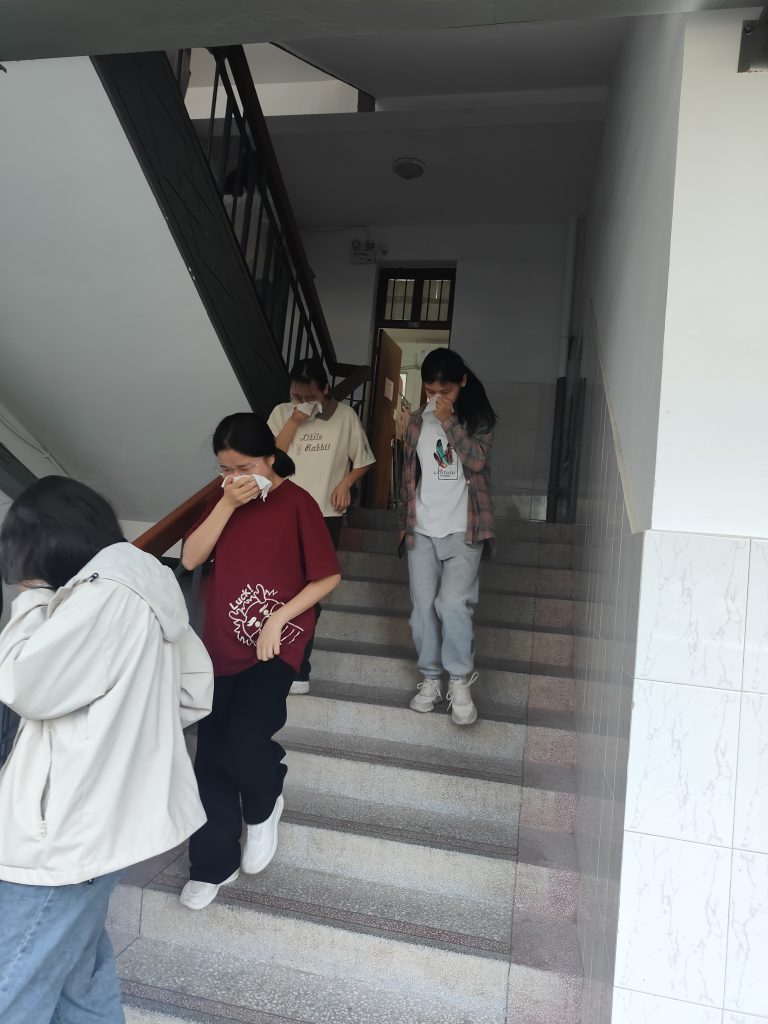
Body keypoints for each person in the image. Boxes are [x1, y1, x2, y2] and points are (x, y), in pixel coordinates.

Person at [0, 476, 214, 1024]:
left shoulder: (104, 596)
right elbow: (193, 693)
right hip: (94, 828)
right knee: (79, 981)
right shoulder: (149, 590)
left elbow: (22, 683)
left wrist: (31, 596)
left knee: (11, 988)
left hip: (61, 835)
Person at [179, 413, 340, 911]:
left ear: (270, 457)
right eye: (225, 469)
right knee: (210, 756)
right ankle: (212, 865)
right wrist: (227, 503)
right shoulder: (221, 499)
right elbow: (190, 558)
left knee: (245, 744)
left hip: (278, 643)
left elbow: (327, 577)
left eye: (244, 467)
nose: (234, 477)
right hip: (220, 642)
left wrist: (278, 619)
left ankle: (265, 800)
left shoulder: (298, 503)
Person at [398, 349, 496, 726]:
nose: (437, 398)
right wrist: (404, 521)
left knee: (452, 602)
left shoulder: (478, 420)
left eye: (446, 390)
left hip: (464, 527)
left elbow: (476, 461)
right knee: (422, 609)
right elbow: (409, 475)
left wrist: (449, 421)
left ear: (463, 383)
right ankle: (431, 679)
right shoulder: (416, 420)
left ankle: (458, 679)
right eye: (429, 390)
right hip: (422, 527)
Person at [268, 358, 375, 695]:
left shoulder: (345, 416)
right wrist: (294, 421)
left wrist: (346, 483)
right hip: (283, 513)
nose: (302, 403)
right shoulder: (281, 413)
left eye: (309, 397)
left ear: (326, 389)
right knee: (280, 589)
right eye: (296, 397)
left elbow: (364, 460)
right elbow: (270, 460)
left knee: (310, 593)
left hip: (325, 516)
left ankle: (299, 669)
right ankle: (273, 660)